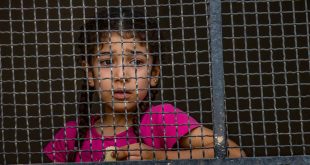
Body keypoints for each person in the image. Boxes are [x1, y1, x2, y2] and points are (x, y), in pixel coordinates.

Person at [43, 7, 244, 162]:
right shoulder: (71, 136)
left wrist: (160, 157)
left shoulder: (162, 119)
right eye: (106, 62)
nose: (122, 76)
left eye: (137, 62)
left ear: (153, 74)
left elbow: (234, 153)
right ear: (90, 74)